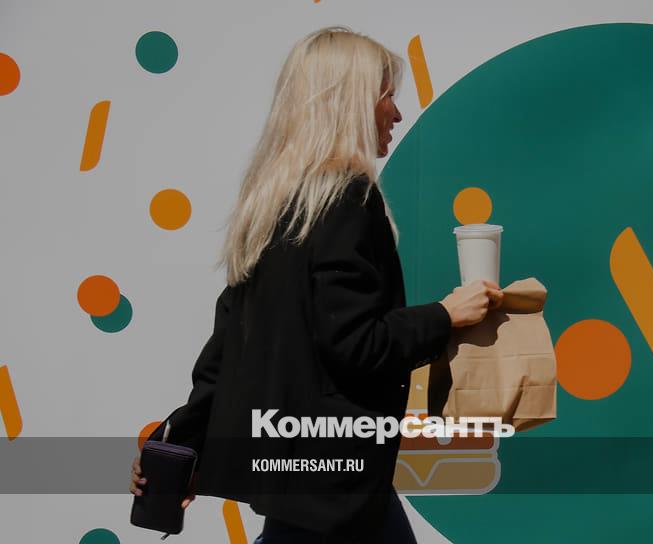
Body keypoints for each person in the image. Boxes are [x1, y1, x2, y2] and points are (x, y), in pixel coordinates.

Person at [129, 26, 503, 543]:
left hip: (305, 477)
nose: (396, 114)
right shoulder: (348, 199)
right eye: (386, 95)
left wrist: (180, 440)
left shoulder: (272, 206)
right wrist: (446, 315)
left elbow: (228, 346)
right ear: (349, 102)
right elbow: (354, 344)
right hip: (333, 483)